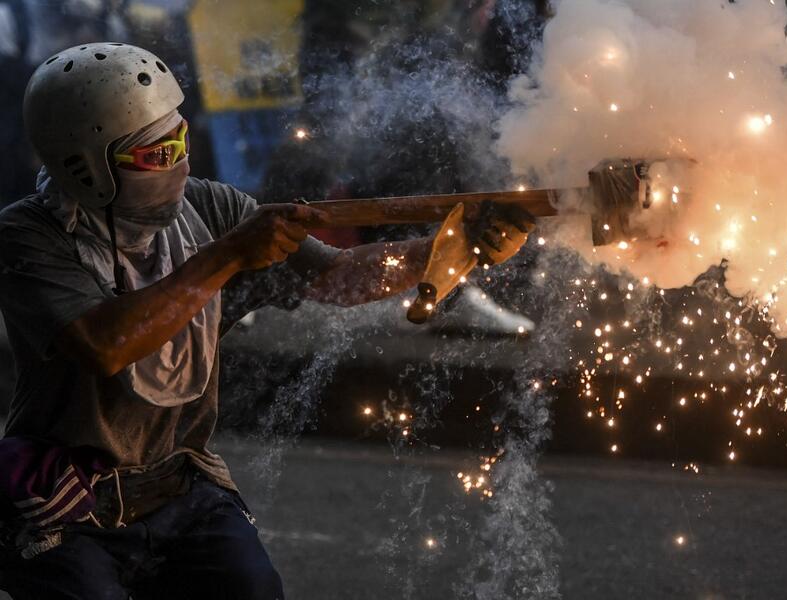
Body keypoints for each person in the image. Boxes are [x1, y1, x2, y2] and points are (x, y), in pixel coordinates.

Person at [0, 43, 534, 599]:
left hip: (179, 485)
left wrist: (453, 246)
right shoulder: (30, 236)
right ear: (87, 168)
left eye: (181, 140)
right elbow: (107, 344)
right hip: (65, 500)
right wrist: (228, 255)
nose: (181, 163)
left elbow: (340, 278)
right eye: (157, 155)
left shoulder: (209, 211)